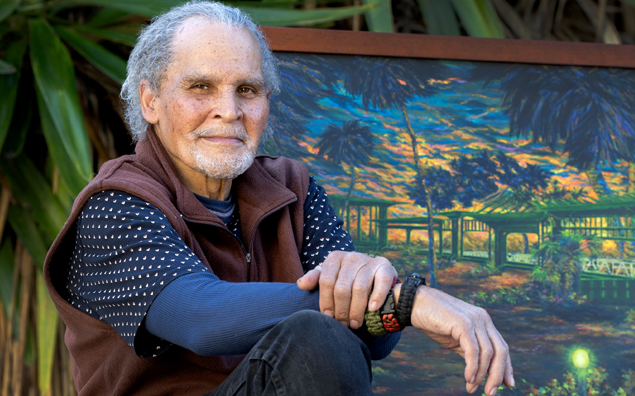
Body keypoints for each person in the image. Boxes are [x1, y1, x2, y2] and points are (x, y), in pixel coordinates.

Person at [43, 1, 514, 395]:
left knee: (326, 336)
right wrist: (407, 301)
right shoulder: (114, 204)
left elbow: (371, 339)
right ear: (150, 102)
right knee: (315, 337)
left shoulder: (293, 188)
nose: (229, 110)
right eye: (200, 87)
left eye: (247, 90)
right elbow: (199, 318)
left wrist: (380, 298)